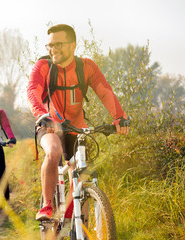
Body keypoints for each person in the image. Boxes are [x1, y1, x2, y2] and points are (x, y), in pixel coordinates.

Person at [27, 24, 130, 221]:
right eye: (49, 45)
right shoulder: (44, 66)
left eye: (58, 44)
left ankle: (78, 221)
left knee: (80, 173)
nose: (52, 49)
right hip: (50, 125)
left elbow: (104, 91)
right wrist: (42, 114)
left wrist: (119, 118)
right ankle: (48, 205)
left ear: (73, 45)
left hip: (76, 127)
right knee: (54, 151)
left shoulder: (86, 66)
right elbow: (33, 90)